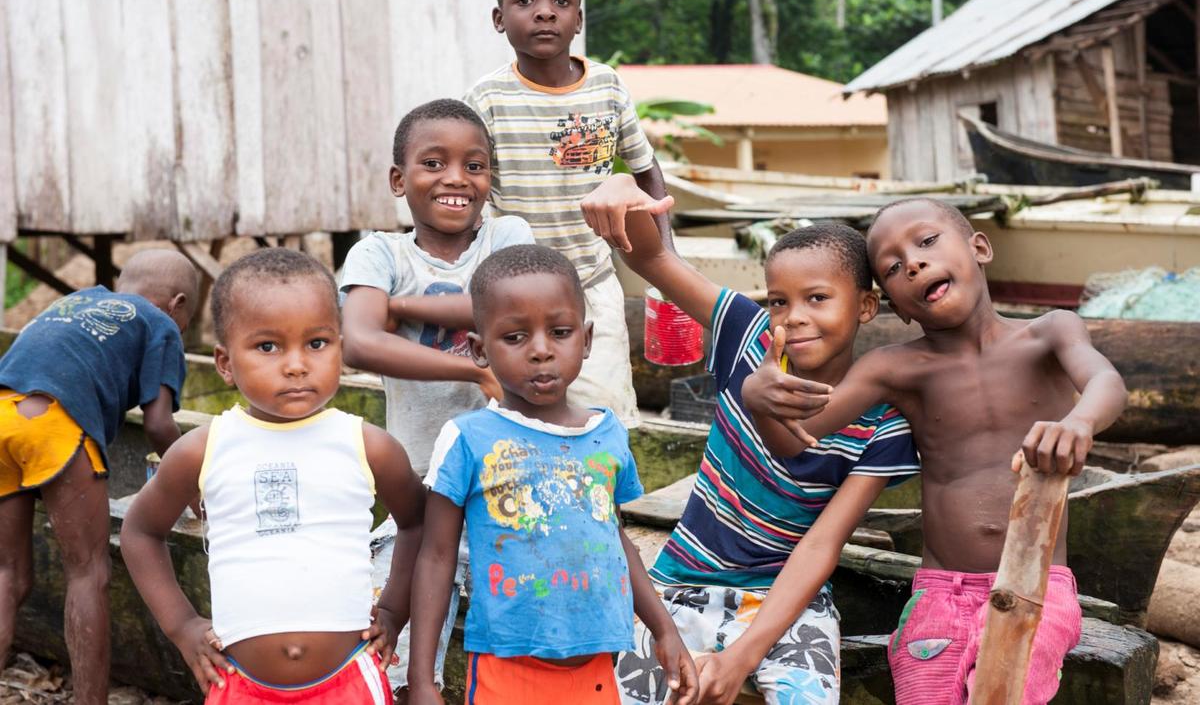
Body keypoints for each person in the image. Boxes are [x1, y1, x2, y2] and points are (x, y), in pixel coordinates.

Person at [741, 197, 1128, 705]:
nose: (914, 263)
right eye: (893, 268)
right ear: (897, 308)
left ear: (980, 248)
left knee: (1003, 692)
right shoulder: (894, 368)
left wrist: (1079, 422)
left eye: (926, 242)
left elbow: (1106, 382)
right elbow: (794, 440)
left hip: (1036, 586)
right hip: (938, 594)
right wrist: (758, 398)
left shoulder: (1050, 332)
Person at [581, 175, 920, 705]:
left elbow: (821, 546)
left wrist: (741, 657)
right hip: (679, 583)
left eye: (818, 298)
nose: (794, 317)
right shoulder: (746, 334)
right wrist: (622, 186)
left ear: (866, 306)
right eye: (779, 301)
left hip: (788, 604)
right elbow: (654, 259)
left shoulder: (882, 423)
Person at [120, 248, 426, 704]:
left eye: (317, 343)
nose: (296, 365)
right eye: (268, 347)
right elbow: (140, 532)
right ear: (225, 363)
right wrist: (182, 625)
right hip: (240, 685)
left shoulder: (368, 445)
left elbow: (417, 522)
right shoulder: (203, 450)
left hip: (350, 680)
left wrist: (395, 610)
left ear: (341, 348)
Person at [405, 244, 696, 705]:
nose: (541, 351)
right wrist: (422, 679)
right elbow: (437, 558)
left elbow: (615, 538)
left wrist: (665, 630)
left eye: (560, 332)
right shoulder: (467, 439)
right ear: (480, 350)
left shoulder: (606, 433)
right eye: (515, 337)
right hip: (507, 668)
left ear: (586, 339)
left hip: (597, 667)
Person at [340, 97, 534, 693]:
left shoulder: (507, 235)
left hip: (512, 487)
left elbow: (516, 306)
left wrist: (400, 306)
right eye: (433, 163)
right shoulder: (380, 252)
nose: (456, 178)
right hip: (421, 494)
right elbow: (359, 342)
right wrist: (474, 372)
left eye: (474, 166)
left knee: (529, 638)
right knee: (384, 649)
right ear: (399, 180)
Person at [464, 0, 675, 428]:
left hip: (591, 286)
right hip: (511, 291)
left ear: (578, 19)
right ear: (499, 18)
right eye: (525, 1)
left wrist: (667, 256)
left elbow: (646, 169)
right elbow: (470, 189)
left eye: (560, 1)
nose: (544, 12)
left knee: (604, 415)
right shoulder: (486, 99)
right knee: (514, 417)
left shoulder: (606, 86)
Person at [0, 249, 197, 705]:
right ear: (178, 304)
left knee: (8, 574)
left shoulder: (78, 299)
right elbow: (159, 425)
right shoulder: (161, 323)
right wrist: (196, 495)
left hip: (4, 412)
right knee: (88, 573)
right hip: (54, 421)